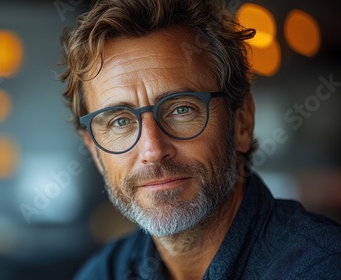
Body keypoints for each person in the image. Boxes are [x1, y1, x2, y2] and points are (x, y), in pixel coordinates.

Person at [59, 0, 341, 279]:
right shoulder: (103, 273)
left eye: (181, 109)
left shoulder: (322, 267)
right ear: (95, 152)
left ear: (241, 123)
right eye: (120, 121)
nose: (153, 149)